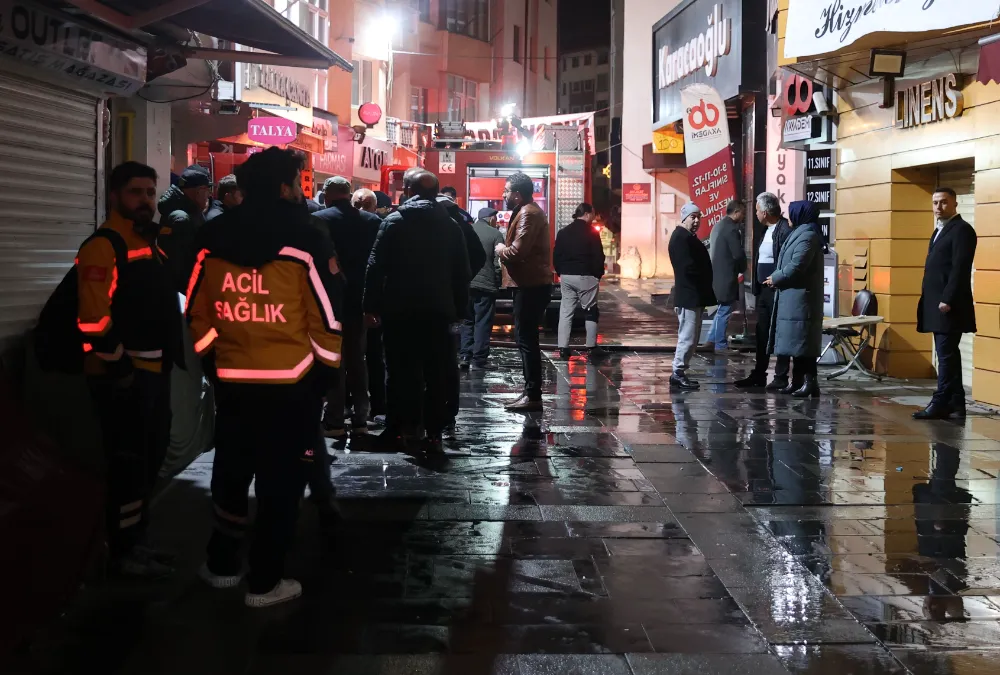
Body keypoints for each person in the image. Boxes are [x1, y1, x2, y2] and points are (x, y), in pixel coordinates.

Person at [186, 147, 342, 608]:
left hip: (233, 380)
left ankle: (221, 565)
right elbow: (326, 318)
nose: (301, 189)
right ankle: (265, 579)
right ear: (283, 187)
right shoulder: (307, 237)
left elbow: (197, 309)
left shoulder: (212, 235)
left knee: (231, 471)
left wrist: (213, 360)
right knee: (282, 479)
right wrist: (324, 373)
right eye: (297, 181)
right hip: (292, 384)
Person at [77, 161, 182, 578]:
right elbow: (92, 319)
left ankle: (138, 540)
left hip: (153, 373)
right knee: (127, 464)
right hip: (124, 378)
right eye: (136, 192)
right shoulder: (104, 245)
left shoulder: (148, 242)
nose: (145, 200)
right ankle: (122, 553)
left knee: (146, 461)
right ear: (115, 196)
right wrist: (118, 366)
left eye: (150, 193)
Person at [364, 169, 470, 449]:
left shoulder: (394, 222)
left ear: (407, 191)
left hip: (400, 309)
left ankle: (399, 427)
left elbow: (375, 267)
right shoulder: (451, 226)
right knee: (436, 371)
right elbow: (462, 272)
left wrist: (370, 306)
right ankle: (433, 428)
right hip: (439, 311)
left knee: (399, 370)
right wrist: (460, 309)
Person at [314, 176, 381, 439]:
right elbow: (377, 264)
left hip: (329, 300)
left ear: (329, 195)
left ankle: (335, 421)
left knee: (334, 360)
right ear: (349, 193)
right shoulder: (372, 221)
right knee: (358, 361)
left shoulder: (320, 220)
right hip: (361, 301)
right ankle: (361, 418)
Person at [914, 187, 977, 420]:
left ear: (955, 204)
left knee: (946, 355)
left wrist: (947, 299)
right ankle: (956, 403)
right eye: (935, 203)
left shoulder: (962, 230)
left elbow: (960, 269)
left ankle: (940, 400)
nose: (938, 207)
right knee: (948, 354)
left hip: (948, 306)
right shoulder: (939, 230)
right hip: (936, 304)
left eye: (943, 203)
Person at [496, 171, 552, 412]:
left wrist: (500, 249)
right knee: (525, 339)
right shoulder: (526, 211)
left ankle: (533, 395)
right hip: (528, 284)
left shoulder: (529, 213)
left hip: (530, 286)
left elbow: (517, 251)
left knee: (527, 340)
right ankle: (530, 393)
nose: (503, 194)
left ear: (517, 195)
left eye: (507, 191)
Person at [764, 200, 825, 398]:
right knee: (797, 344)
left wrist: (777, 277)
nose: (789, 217)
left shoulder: (807, 236)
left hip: (801, 301)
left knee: (803, 344)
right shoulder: (801, 233)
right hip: (793, 299)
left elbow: (797, 265)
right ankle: (797, 381)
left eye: (792, 213)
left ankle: (810, 382)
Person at [735, 193, 793, 389]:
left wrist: (778, 279)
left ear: (766, 212)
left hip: (777, 290)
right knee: (762, 332)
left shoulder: (784, 230)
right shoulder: (765, 231)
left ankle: (781, 376)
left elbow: (786, 260)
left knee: (780, 333)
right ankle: (759, 373)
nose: (756, 214)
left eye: (758, 210)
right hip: (763, 291)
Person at [667, 203, 716, 390]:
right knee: (687, 337)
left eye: (698, 217)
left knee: (692, 337)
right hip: (689, 295)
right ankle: (677, 373)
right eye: (692, 217)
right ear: (684, 218)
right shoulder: (681, 238)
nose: (696, 221)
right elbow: (687, 267)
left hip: (694, 294)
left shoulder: (687, 237)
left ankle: (680, 372)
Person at [553, 202, 606, 361]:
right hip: (586, 276)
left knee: (566, 312)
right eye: (593, 214)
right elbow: (598, 256)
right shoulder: (592, 232)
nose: (594, 217)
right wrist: (597, 275)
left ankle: (563, 348)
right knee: (590, 311)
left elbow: (556, 256)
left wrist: (561, 272)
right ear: (588, 214)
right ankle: (591, 347)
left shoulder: (563, 232)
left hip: (567, 276)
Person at [460, 207, 504, 369]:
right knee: (482, 322)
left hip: (466, 284)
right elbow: (497, 264)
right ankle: (479, 359)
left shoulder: (466, 230)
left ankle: (465, 355)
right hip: (485, 285)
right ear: (491, 218)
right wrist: (497, 281)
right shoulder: (495, 234)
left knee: (467, 321)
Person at [158, 164, 211, 290]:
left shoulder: (188, 212)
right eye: (207, 191)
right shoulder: (181, 219)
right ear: (198, 191)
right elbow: (180, 266)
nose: (208, 196)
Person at [706, 200, 747, 351]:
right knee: (724, 310)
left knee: (721, 309)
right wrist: (744, 267)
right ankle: (720, 344)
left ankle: (711, 340)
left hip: (716, 276)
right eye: (742, 213)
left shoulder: (718, 226)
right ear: (736, 212)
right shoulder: (731, 229)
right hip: (726, 276)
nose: (743, 217)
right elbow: (737, 254)